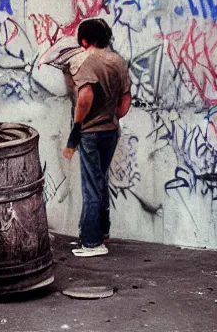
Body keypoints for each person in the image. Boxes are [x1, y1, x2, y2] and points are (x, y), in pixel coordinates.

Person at [61, 19, 131, 258]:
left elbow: (85, 97)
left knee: (91, 185)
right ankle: (100, 233)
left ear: (83, 40)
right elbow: (124, 103)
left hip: (90, 132)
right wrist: (111, 116)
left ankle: (91, 242)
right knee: (100, 180)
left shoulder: (84, 61)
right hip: (110, 130)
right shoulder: (118, 61)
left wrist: (78, 126)